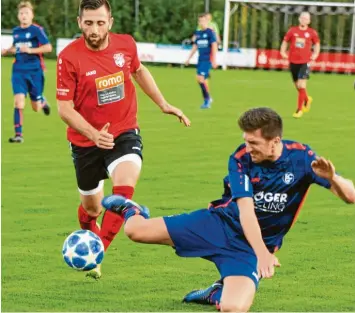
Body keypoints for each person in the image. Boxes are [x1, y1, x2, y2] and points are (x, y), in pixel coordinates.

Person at [101, 107, 355, 312]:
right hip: (220, 224)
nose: (248, 147)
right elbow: (246, 211)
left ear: (274, 141)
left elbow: (350, 196)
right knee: (135, 232)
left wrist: (333, 179)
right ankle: (131, 210)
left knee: (233, 308)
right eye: (246, 140)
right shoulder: (241, 158)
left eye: (254, 142)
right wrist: (263, 254)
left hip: (247, 249)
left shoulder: (301, 158)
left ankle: (215, 292)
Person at [56, 0, 191, 280]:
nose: (94, 28)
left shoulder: (126, 45)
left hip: (124, 132)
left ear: (111, 22)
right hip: (85, 142)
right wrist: (94, 134)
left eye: (100, 22)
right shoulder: (68, 57)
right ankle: (88, 226)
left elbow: (139, 71)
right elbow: (64, 108)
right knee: (92, 208)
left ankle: (97, 253)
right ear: (80, 22)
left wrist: (163, 104)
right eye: (89, 22)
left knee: (123, 191)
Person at [1, 1, 52, 143]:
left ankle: (42, 101)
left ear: (31, 15)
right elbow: (15, 47)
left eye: (26, 13)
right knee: (18, 102)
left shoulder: (36, 30)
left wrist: (31, 50)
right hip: (18, 71)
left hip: (35, 71)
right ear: (18, 16)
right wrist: (7, 51)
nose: (23, 16)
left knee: (35, 107)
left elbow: (48, 47)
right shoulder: (16, 31)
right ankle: (18, 135)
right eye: (21, 13)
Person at [280, 12, 320, 119]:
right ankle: (307, 99)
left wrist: (315, 54)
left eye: (306, 19)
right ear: (299, 19)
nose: (304, 20)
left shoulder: (312, 32)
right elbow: (285, 41)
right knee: (297, 86)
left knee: (302, 85)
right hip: (293, 61)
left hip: (305, 62)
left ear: (309, 21)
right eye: (302, 18)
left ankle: (299, 109)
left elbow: (317, 44)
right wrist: (282, 51)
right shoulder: (292, 30)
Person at [185, 13, 218, 109]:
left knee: (200, 79)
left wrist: (214, 60)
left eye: (203, 21)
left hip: (207, 60)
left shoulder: (210, 33)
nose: (201, 23)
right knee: (200, 80)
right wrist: (188, 58)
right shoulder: (198, 33)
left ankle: (207, 100)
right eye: (200, 21)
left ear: (207, 21)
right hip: (200, 60)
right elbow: (195, 47)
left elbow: (214, 46)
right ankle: (208, 98)